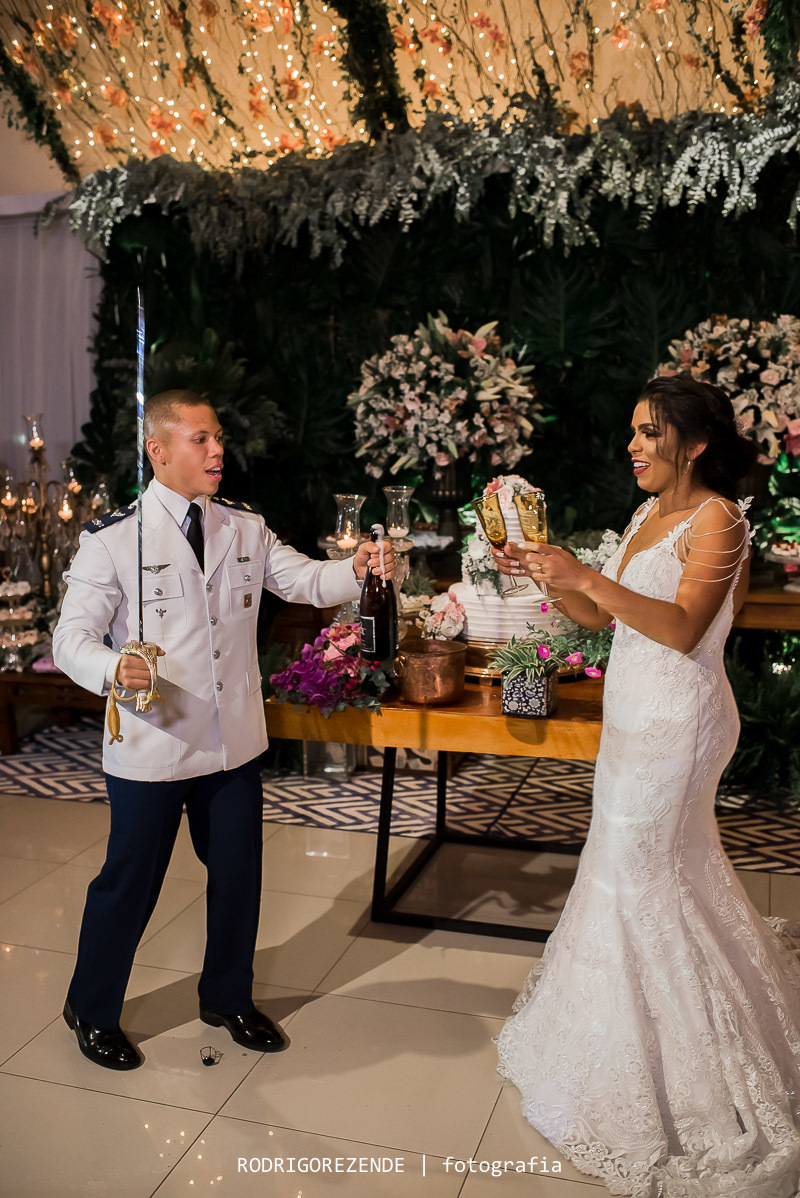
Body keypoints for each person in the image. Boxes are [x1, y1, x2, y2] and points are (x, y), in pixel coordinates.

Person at [493, 375, 800, 1196]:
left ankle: (698, 1082)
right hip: (633, 715)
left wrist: (587, 577)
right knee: (642, 870)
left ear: (695, 444)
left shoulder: (718, 518)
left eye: (648, 433)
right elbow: (601, 621)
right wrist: (548, 574)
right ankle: (626, 1044)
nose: (632, 446)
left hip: (681, 723)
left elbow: (683, 625)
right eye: (630, 431)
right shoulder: (644, 515)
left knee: (643, 875)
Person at [53, 389, 396, 1071]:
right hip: (153, 743)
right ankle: (91, 1009)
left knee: (239, 876)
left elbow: (301, 581)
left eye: (218, 439)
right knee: (130, 884)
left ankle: (228, 998)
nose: (218, 451)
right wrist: (115, 666)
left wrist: (353, 572)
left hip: (233, 742)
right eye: (201, 440)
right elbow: (70, 639)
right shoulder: (115, 539)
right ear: (158, 450)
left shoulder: (243, 526)